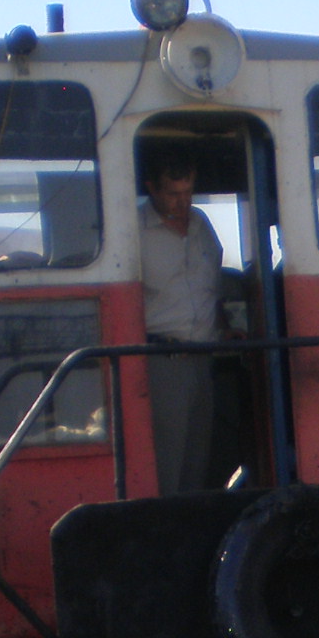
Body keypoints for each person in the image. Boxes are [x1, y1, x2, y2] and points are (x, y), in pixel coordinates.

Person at [139, 154, 224, 494]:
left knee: (197, 461)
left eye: (189, 193)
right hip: (162, 360)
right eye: (174, 194)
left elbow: (212, 288)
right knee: (166, 465)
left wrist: (224, 324)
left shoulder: (201, 225)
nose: (183, 202)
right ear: (151, 190)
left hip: (204, 359)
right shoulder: (133, 232)